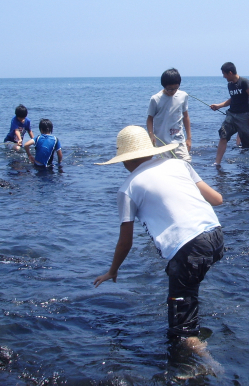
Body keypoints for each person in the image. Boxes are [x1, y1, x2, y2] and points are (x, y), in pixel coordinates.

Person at [93, 125, 224, 353]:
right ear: (151, 150)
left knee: (182, 332)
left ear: (124, 160)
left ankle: (207, 366)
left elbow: (126, 242)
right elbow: (217, 199)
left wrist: (112, 270)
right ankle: (190, 310)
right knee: (186, 282)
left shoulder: (128, 189)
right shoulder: (179, 163)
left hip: (189, 249)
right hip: (215, 236)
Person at [210, 62, 249, 166]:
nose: (223, 76)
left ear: (230, 73)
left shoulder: (244, 82)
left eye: (224, 74)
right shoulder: (230, 85)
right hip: (231, 115)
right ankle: (217, 163)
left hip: (244, 115)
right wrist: (219, 106)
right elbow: (232, 99)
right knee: (223, 135)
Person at [147, 68, 192, 163]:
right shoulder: (155, 99)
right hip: (162, 141)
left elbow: (186, 116)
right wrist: (151, 135)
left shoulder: (183, 95)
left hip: (179, 139)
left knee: (186, 163)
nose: (173, 91)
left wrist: (189, 138)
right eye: (169, 89)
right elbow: (150, 119)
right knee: (165, 167)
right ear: (164, 86)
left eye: (176, 88)